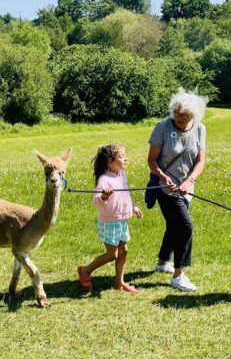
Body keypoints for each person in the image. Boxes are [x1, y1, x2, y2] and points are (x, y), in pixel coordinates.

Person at [147, 89, 207, 292]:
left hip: (187, 187)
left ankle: (163, 261)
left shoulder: (200, 129)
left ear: (194, 115)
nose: (179, 118)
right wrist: (164, 177)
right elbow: (152, 160)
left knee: (174, 225)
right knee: (185, 227)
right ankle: (178, 275)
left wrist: (190, 180)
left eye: (184, 115)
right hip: (166, 189)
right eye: (176, 113)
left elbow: (201, 160)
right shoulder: (162, 127)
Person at [77, 144, 144, 293]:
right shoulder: (104, 179)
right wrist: (103, 196)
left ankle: (119, 283)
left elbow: (125, 194)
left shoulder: (121, 174)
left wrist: (133, 207)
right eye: (121, 156)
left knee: (123, 250)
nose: (125, 158)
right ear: (109, 162)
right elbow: (95, 199)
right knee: (111, 254)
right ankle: (85, 271)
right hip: (109, 222)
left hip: (122, 220)